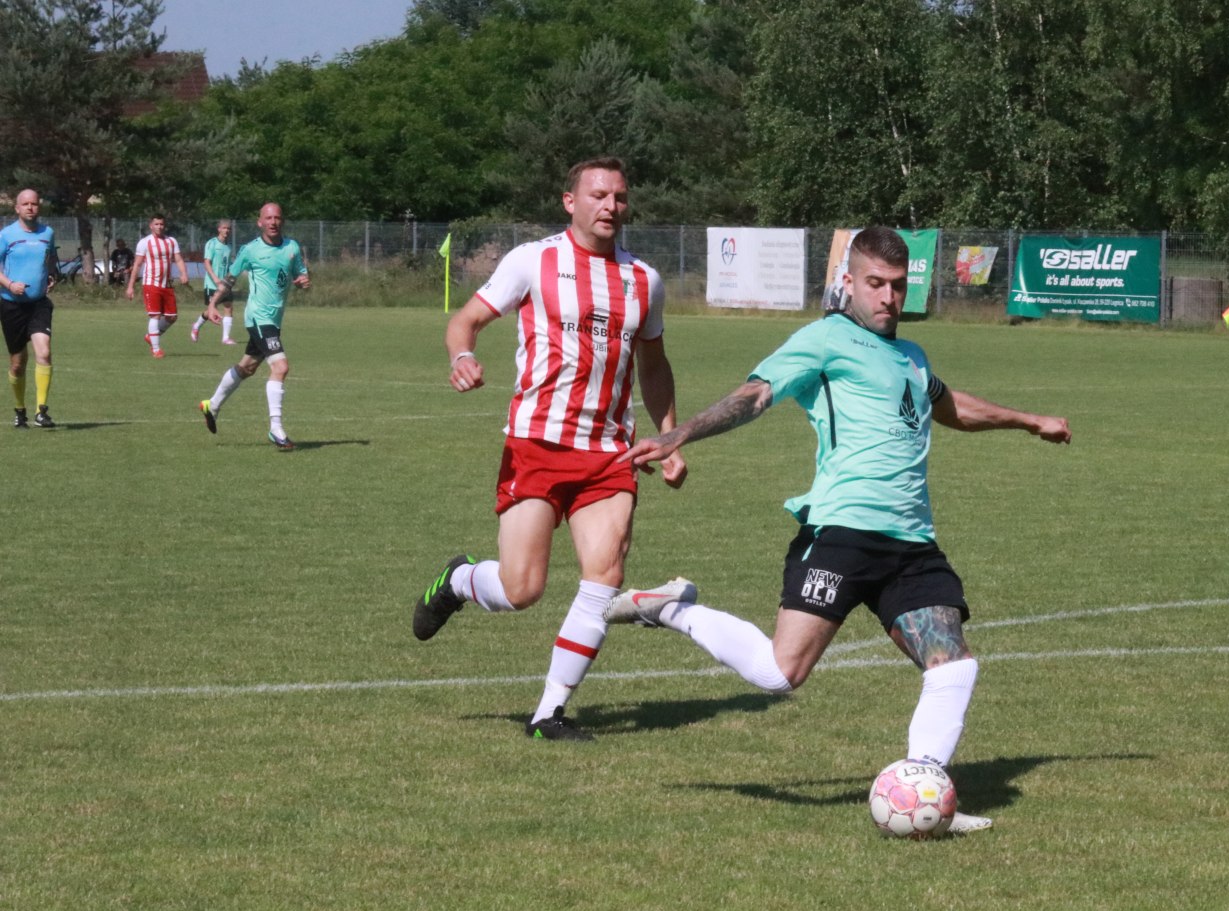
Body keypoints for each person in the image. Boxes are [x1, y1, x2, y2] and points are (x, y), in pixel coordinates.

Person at [610, 226, 1071, 833]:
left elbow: (947, 405)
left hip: (911, 541)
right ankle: (670, 608)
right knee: (779, 674)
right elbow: (755, 395)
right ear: (848, 282)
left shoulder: (912, 358)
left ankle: (923, 791)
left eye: (897, 286)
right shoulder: (825, 339)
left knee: (953, 666)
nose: (887, 297)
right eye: (875, 283)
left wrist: (1028, 420)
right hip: (842, 532)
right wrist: (680, 434)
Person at [409, 156, 686, 742]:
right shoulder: (533, 261)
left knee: (604, 575)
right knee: (522, 589)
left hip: (609, 453)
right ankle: (460, 581)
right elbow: (465, 321)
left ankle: (549, 713)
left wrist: (669, 436)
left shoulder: (645, 280)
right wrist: (462, 356)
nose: (610, 205)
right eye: (599, 194)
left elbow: (655, 365)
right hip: (536, 444)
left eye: (620, 196)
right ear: (570, 201)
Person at [198, 202, 310, 450]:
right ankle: (276, 428)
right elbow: (229, 279)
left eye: (277, 218)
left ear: (282, 221)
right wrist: (213, 304)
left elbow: (301, 274)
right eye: (268, 218)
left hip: (274, 319)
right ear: (260, 222)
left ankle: (212, 405)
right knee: (280, 367)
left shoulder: (291, 247)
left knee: (247, 367)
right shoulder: (250, 250)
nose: (273, 222)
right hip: (258, 317)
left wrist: (303, 281)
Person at [0, 189, 60, 428]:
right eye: (25, 204)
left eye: (34, 203)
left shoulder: (48, 233)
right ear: (17, 208)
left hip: (38, 304)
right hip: (11, 305)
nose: (30, 207)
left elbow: (50, 258)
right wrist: (10, 284)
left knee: (43, 352)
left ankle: (41, 411)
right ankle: (20, 410)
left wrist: (51, 275)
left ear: (38, 207)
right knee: (18, 363)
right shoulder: (6, 235)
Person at [125, 214, 189, 358]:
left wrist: (183, 273)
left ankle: (151, 336)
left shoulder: (171, 241)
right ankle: (156, 349)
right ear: (151, 226)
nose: (159, 227)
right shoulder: (144, 242)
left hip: (167, 284)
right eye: (156, 224)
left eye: (161, 224)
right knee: (155, 315)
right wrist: (130, 286)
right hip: (151, 284)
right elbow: (137, 264)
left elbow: (178, 259)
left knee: (172, 317)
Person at [191, 220, 236, 345]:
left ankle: (225, 338)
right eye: (224, 228)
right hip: (212, 284)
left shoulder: (229, 246)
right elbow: (207, 263)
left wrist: (230, 278)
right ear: (219, 229)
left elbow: (228, 264)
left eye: (228, 228)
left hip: (225, 284)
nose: (227, 230)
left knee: (228, 306)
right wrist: (215, 279)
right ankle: (196, 325)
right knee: (211, 310)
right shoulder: (212, 243)